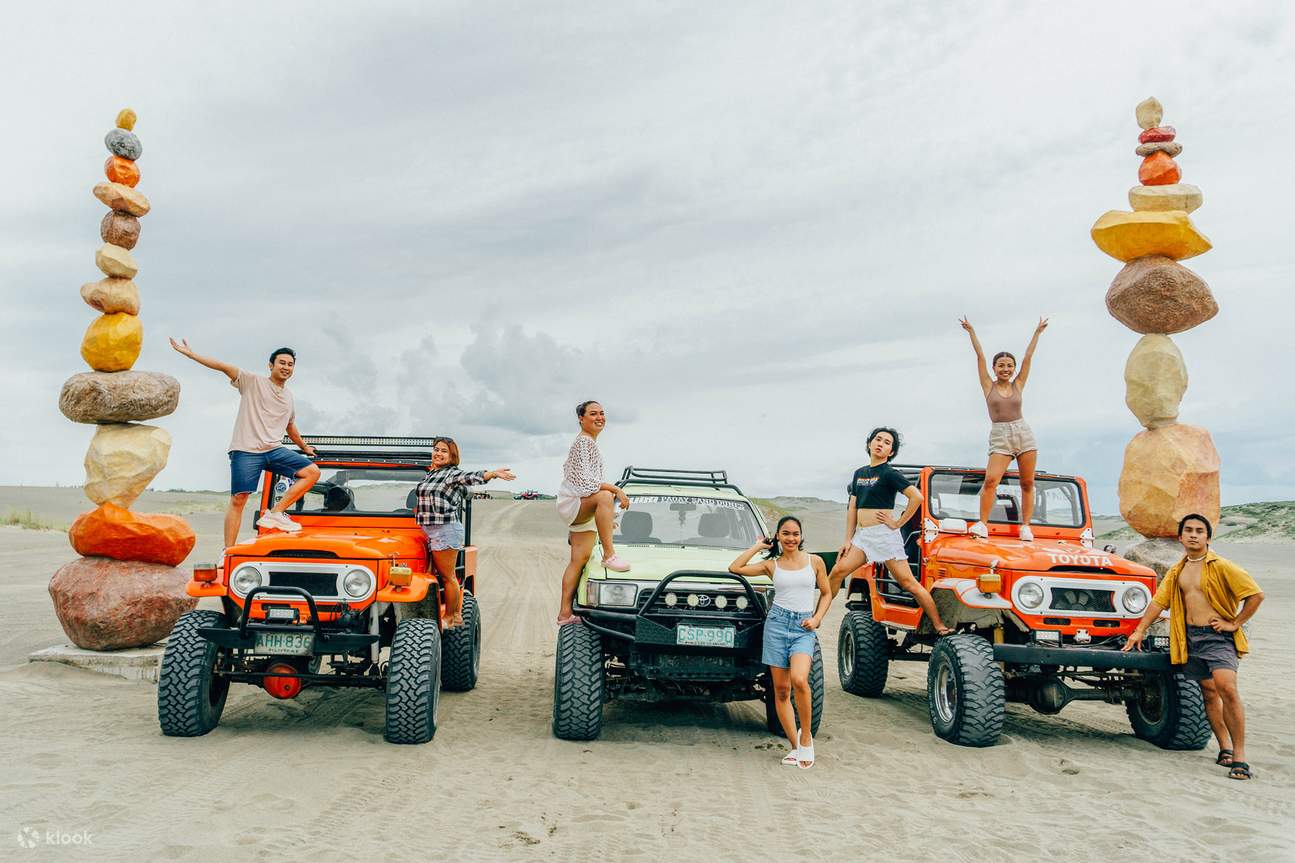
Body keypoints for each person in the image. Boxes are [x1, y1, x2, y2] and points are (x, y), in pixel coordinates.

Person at [1124, 514, 1264, 780]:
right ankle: (1224, 748)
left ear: (1208, 537)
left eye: (1199, 531)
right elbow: (1159, 602)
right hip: (1190, 639)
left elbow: (1256, 595)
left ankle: (1240, 757)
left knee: (1227, 689)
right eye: (1188, 530)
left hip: (1218, 637)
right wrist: (1140, 630)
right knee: (1208, 694)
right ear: (1180, 537)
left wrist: (1234, 623)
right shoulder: (1178, 570)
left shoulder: (1222, 566)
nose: (1193, 534)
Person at [170, 339, 320, 549]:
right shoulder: (252, 381)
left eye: (290, 364)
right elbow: (223, 367)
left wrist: (304, 448)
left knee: (312, 472)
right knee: (239, 499)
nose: (286, 367)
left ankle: (276, 513)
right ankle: (228, 551)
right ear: (271, 365)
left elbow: (290, 426)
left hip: (274, 449)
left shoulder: (288, 396)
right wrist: (191, 354)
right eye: (282, 363)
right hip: (246, 450)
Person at [826, 427, 952, 636]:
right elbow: (853, 508)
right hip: (862, 536)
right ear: (869, 444)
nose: (880, 444)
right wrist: (848, 540)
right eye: (878, 439)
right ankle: (818, 615)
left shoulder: (890, 474)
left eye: (887, 443)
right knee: (837, 571)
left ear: (891, 452)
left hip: (884, 536)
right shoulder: (859, 473)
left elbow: (917, 497)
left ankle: (939, 626)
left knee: (908, 583)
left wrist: (898, 523)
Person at [730, 515, 831, 769]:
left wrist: (817, 618)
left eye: (795, 533)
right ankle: (795, 747)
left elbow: (827, 593)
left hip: (803, 627)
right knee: (782, 690)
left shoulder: (815, 562)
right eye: (786, 533)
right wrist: (758, 546)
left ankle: (806, 737)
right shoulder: (771, 565)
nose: (791, 538)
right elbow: (735, 568)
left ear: (801, 536)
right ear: (778, 536)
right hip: (776, 626)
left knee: (800, 680)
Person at [958, 316, 1048, 541]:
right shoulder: (988, 385)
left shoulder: (1018, 384)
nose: (1005, 369)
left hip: (1023, 433)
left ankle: (1025, 526)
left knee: (1027, 482)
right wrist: (971, 331)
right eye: (1001, 365)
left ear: (1014, 368)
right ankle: (982, 524)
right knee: (991, 481)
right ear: (994, 368)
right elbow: (980, 356)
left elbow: (1028, 357)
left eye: (1009, 366)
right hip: (1000, 435)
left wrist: (1037, 333)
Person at [413, 437, 515, 628]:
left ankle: (451, 617)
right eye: (436, 449)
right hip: (432, 531)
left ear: (452, 456)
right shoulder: (431, 474)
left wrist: (492, 474)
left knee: (448, 576)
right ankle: (454, 615)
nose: (438, 453)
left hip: (445, 530)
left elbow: (470, 477)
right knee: (439, 575)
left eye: (444, 451)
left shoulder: (450, 474)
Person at [555, 401, 631, 625]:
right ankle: (609, 555)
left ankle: (565, 614)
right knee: (605, 496)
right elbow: (586, 483)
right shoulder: (584, 442)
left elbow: (586, 481)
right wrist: (616, 489)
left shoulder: (588, 443)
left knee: (578, 560)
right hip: (574, 501)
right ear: (581, 418)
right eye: (593, 414)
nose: (599, 417)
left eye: (602, 413)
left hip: (580, 504)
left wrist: (606, 518)